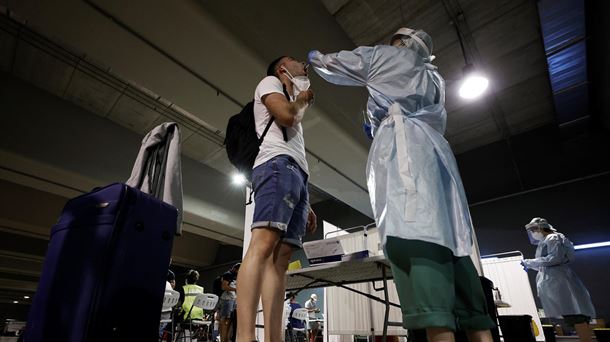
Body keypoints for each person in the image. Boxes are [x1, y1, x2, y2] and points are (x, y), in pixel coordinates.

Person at [308, 28, 495, 342]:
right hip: (436, 155)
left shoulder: (387, 57)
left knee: (416, 237)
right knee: (453, 242)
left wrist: (317, 59)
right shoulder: (435, 78)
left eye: (393, 40)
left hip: (405, 152)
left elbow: (341, 64)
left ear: (401, 42)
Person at [236, 56, 318, 342]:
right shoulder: (271, 82)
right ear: (283, 69)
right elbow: (285, 116)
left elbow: (294, 139)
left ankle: (274, 337)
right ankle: (245, 336)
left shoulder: (293, 99)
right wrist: (304, 99)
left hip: (297, 173)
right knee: (263, 244)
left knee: (281, 260)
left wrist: (305, 201)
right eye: (297, 61)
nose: (303, 65)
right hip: (276, 164)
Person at [521, 217, 596, 342]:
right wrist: (530, 265)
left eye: (534, 229)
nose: (533, 233)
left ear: (541, 227)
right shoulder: (544, 241)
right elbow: (546, 265)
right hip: (554, 280)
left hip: (560, 281)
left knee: (576, 315)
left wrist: (530, 262)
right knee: (572, 315)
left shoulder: (553, 237)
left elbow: (555, 258)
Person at [219, 263, 240, 342]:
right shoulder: (228, 274)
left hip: (233, 299)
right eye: (239, 270)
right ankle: (223, 340)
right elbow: (224, 286)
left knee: (230, 321)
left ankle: (227, 339)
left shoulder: (236, 276)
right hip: (227, 300)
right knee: (225, 321)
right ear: (235, 268)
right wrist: (236, 289)